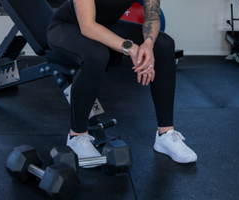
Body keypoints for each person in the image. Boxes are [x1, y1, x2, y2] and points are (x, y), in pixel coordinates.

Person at [47, 0, 197, 165]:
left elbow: (153, 16)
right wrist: (130, 48)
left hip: (107, 25)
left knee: (164, 44)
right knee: (97, 54)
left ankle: (165, 135)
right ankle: (77, 136)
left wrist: (148, 44)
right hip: (68, 26)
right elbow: (87, 26)